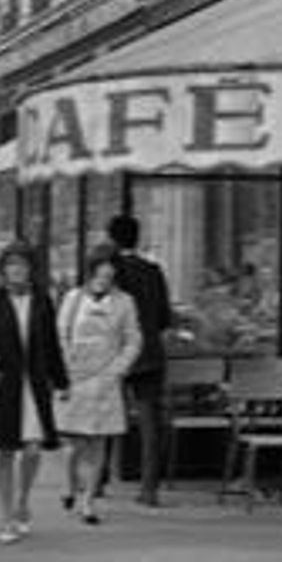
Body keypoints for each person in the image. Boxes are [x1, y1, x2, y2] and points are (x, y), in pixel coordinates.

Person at [0, 242, 69, 544]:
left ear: (32, 270)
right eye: (11, 264)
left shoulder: (42, 301)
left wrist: (61, 380)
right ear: (3, 269)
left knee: (33, 448)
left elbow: (52, 343)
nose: (17, 270)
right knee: (6, 450)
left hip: (35, 382)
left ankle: (22, 500)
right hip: (6, 383)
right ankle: (6, 517)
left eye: (23, 264)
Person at [55, 247, 141, 525]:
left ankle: (88, 503)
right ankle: (69, 484)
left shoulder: (125, 302)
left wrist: (116, 371)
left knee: (99, 442)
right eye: (100, 274)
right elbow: (60, 335)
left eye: (110, 275)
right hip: (75, 378)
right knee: (73, 445)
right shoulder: (73, 298)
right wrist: (64, 373)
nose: (104, 280)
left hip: (105, 381)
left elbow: (133, 341)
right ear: (91, 272)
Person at [105, 214, 173, 508]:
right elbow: (163, 318)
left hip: (116, 355)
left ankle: (97, 480)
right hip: (148, 355)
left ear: (112, 239)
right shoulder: (153, 270)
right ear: (137, 237)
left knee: (106, 417)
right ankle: (149, 489)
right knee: (149, 424)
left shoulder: (109, 272)